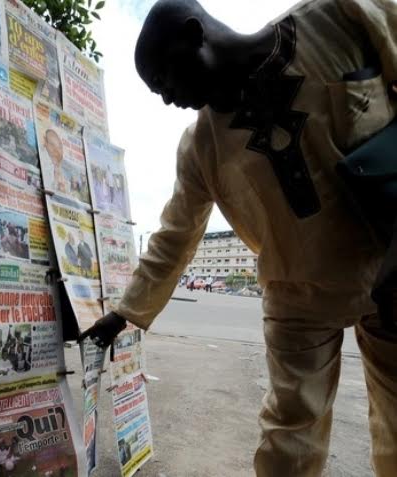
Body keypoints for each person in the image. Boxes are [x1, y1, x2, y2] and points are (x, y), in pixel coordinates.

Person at [79, 1, 397, 475]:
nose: (167, 99)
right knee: (288, 436)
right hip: (297, 299)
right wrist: (124, 313)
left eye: (165, 81)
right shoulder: (199, 147)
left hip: (389, 269)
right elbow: (174, 236)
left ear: (193, 35)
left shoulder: (342, 16)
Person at [43, 129, 67, 193]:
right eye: (52, 145)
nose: (56, 150)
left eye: (59, 147)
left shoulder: (64, 176)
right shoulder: (45, 164)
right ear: (45, 143)